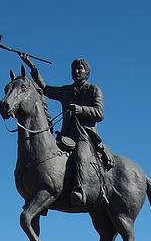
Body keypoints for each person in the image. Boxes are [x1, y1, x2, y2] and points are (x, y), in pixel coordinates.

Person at [19, 55, 107, 206]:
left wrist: (81, 110)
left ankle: (80, 188)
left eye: (80, 69)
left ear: (87, 72)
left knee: (80, 154)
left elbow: (100, 113)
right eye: (74, 69)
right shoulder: (66, 91)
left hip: (85, 135)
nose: (77, 71)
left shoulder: (93, 90)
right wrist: (33, 68)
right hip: (66, 136)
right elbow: (45, 89)